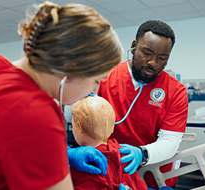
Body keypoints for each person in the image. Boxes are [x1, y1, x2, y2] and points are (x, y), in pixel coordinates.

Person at [0, 1, 123, 189]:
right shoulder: (34, 111)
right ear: (72, 68)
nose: (94, 91)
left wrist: (64, 153)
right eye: (96, 80)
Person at [68, 20, 188, 189]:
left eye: (162, 58)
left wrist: (142, 154)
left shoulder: (176, 91)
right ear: (133, 46)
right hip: (107, 168)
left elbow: (170, 140)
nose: (153, 63)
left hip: (154, 175)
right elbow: (75, 115)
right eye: (147, 53)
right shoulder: (104, 76)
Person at [70, 96, 147, 190]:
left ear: (79, 126)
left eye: (73, 125)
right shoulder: (125, 155)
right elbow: (140, 186)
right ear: (112, 128)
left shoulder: (83, 165)